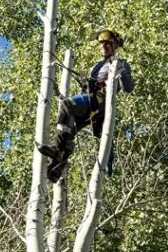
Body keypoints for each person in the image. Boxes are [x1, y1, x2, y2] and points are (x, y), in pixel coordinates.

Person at [38, 29, 133, 183]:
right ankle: (56, 168)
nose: (103, 46)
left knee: (67, 105)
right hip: (91, 102)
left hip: (100, 102)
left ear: (115, 45)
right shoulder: (97, 65)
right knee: (70, 128)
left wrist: (120, 72)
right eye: (101, 43)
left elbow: (128, 88)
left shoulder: (120, 63)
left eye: (107, 43)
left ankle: (56, 149)